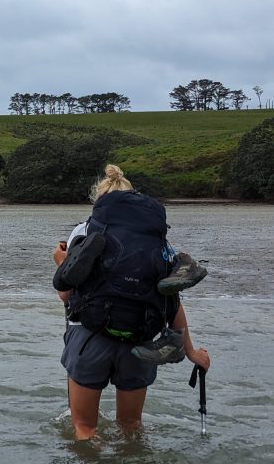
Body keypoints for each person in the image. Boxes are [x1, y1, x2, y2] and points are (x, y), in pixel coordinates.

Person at [53, 165, 210, 440]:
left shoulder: (84, 230)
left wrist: (60, 264)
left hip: (90, 337)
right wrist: (191, 352)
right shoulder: (158, 241)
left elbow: (66, 294)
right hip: (141, 341)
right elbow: (172, 302)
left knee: (84, 427)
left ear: (99, 201)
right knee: (131, 425)